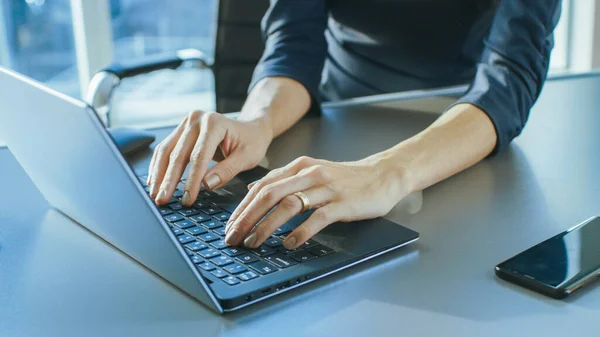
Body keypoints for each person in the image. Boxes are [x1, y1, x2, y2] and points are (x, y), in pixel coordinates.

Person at [146, 0, 561, 251]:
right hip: (338, 111)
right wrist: (257, 121)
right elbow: (293, 44)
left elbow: (508, 79)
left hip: (467, 131)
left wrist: (385, 172)